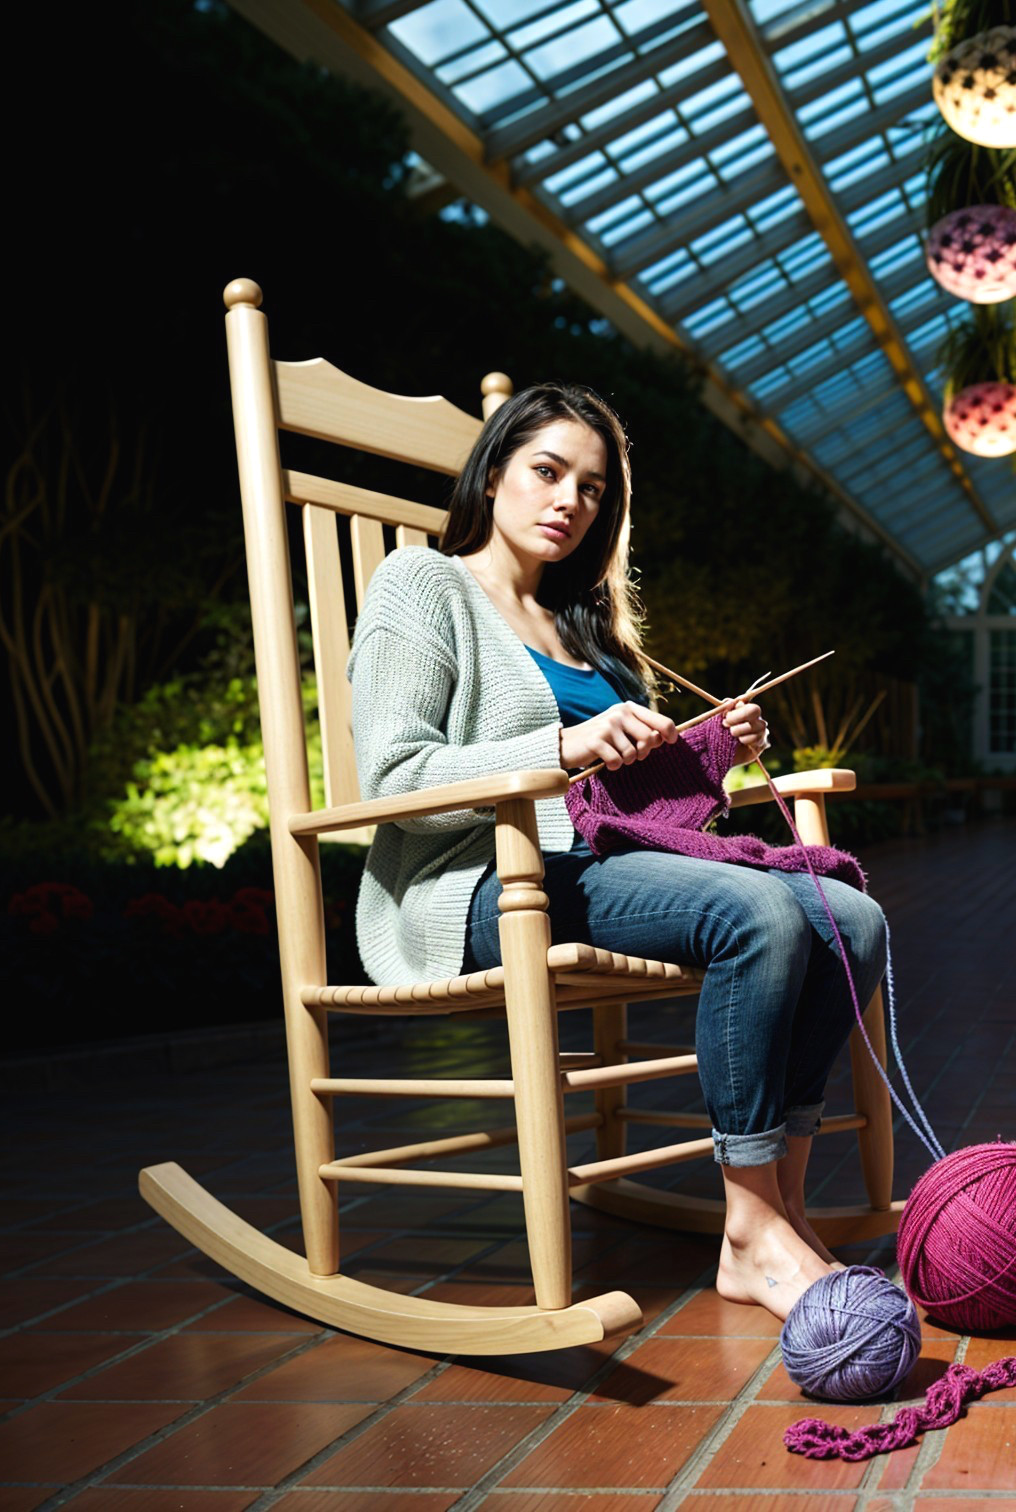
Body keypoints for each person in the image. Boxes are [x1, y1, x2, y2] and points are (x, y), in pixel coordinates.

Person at [345, 382, 884, 1321]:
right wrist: (555, 748)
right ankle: (753, 1229)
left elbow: (631, 798)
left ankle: (778, 1210)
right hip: (483, 881)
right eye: (547, 472)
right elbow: (392, 781)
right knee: (754, 912)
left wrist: (713, 747)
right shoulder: (422, 585)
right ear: (494, 471)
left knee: (854, 919)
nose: (569, 502)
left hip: (591, 869)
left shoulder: (585, 630)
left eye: (593, 489)